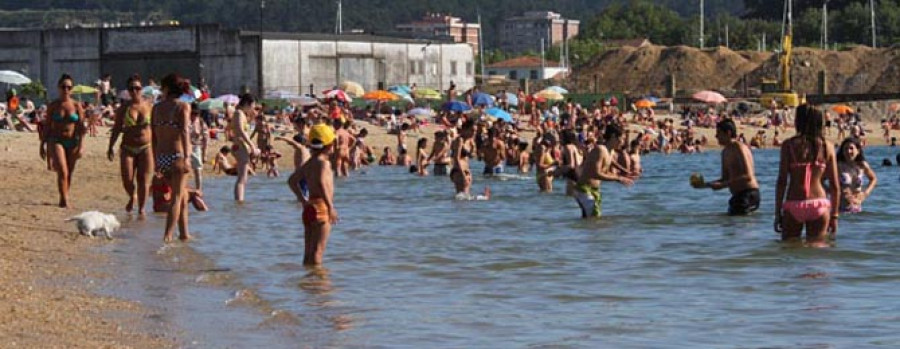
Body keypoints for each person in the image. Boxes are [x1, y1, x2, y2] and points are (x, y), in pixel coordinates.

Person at [774, 104, 840, 247]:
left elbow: (782, 181)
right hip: (818, 204)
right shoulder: (827, 146)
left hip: (794, 203)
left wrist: (777, 212)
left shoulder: (789, 145)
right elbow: (835, 185)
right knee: (817, 258)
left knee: (789, 251)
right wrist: (834, 216)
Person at [288, 124, 338, 265]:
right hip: (322, 207)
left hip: (309, 207)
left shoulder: (309, 163)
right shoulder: (324, 163)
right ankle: (317, 284)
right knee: (318, 251)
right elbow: (322, 183)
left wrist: (303, 200)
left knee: (308, 252)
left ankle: (308, 280)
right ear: (329, 145)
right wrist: (330, 207)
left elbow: (291, 181)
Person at [151, 73, 193, 243]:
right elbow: (184, 132)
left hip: (162, 156)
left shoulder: (156, 108)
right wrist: (188, 157)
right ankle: (168, 236)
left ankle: (184, 234)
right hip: (177, 155)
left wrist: (155, 159)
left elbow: (154, 136)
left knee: (181, 195)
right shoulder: (182, 107)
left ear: (167, 88)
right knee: (176, 197)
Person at [108, 74, 154, 215]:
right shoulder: (123, 108)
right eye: (131, 88)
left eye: (137, 88)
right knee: (127, 179)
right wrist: (111, 146)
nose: (135, 91)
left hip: (146, 147)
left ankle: (141, 209)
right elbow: (116, 128)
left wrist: (160, 147)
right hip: (128, 147)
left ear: (142, 89)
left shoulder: (149, 105)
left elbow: (156, 128)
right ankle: (132, 196)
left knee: (144, 180)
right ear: (128, 90)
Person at [696, 118, 761, 215]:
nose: (716, 136)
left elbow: (748, 176)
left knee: (734, 225)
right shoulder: (724, 152)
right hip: (738, 196)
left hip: (749, 194)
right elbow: (725, 178)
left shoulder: (739, 147)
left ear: (728, 133)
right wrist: (706, 185)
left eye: (719, 133)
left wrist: (722, 185)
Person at [42, 74, 86, 208]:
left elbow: (81, 128)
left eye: (69, 87)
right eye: (63, 87)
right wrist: (42, 144)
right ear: (58, 88)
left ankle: (65, 194)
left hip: (73, 141)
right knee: (62, 171)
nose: (66, 89)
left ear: (72, 89)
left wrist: (81, 146)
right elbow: (48, 126)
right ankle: (64, 199)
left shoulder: (76, 105)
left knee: (69, 172)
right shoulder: (53, 105)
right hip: (56, 141)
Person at [574, 123, 634, 218]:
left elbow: (610, 161)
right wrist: (618, 178)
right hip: (584, 189)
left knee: (590, 219)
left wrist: (624, 171)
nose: (622, 142)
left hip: (594, 190)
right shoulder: (600, 149)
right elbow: (595, 173)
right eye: (621, 138)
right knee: (594, 218)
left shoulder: (610, 151)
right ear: (613, 136)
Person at [231, 94, 260, 202]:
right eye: (253, 105)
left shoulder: (242, 114)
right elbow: (240, 131)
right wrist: (252, 145)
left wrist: (252, 116)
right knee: (242, 178)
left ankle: (239, 200)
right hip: (239, 147)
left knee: (243, 178)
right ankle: (239, 201)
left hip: (241, 146)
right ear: (247, 104)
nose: (254, 108)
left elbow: (244, 128)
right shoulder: (238, 113)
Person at [836, 137, 877, 213]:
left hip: (857, 211)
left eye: (851, 148)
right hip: (840, 210)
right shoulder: (837, 166)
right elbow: (820, 180)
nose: (848, 151)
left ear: (858, 150)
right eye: (845, 149)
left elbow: (873, 179)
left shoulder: (862, 165)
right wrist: (832, 191)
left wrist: (865, 194)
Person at [189, 103, 209, 190]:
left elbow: (206, 139)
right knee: (183, 170)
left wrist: (204, 154)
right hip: (185, 147)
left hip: (196, 147)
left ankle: (198, 189)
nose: (194, 115)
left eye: (196, 114)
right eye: (192, 113)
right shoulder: (184, 121)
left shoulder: (201, 122)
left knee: (197, 170)